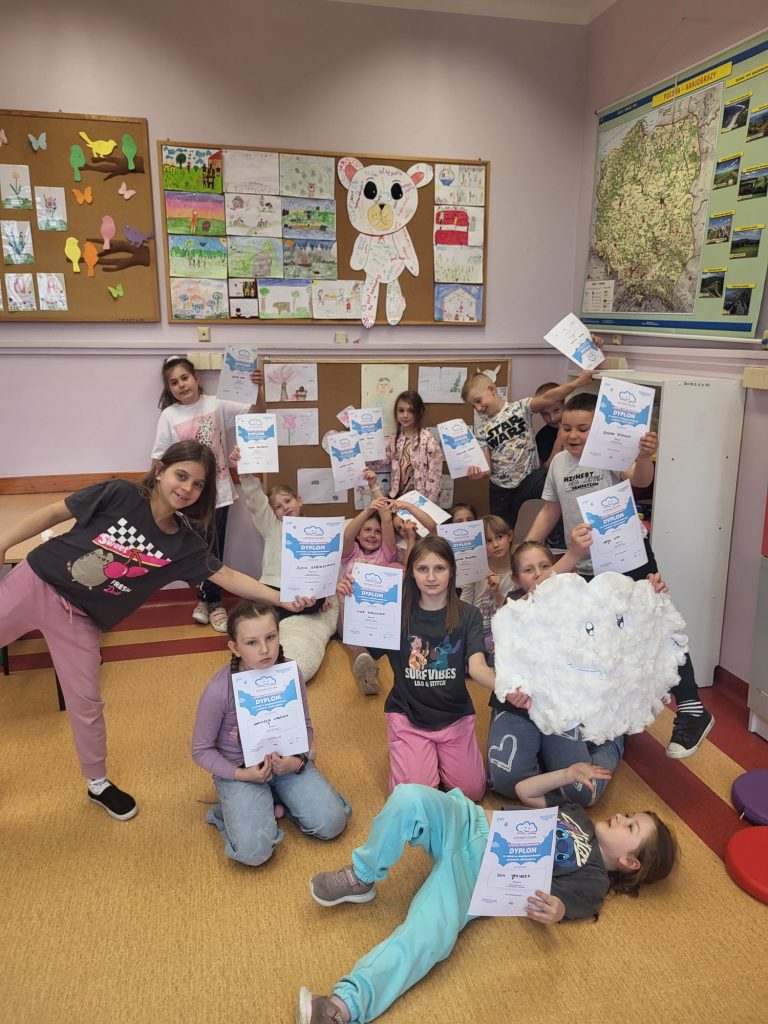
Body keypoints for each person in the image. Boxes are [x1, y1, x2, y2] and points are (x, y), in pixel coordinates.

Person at [0, 441, 310, 822]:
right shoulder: (120, 493)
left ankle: (97, 783)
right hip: (36, 580)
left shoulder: (183, 544)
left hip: (80, 619)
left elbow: (228, 576)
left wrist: (281, 598)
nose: (187, 488)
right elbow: (54, 511)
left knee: (87, 705)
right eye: (181, 475)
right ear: (161, 470)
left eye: (198, 484)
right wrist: (4, 542)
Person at [296, 767, 677, 1024]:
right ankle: (362, 875)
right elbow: (525, 791)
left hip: (480, 876)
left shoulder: (593, 881)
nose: (621, 817)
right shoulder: (577, 814)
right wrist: (566, 775)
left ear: (630, 862)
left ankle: (342, 1006)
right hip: (468, 820)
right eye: (629, 815)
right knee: (409, 798)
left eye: (631, 827)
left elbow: (564, 907)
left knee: (428, 937)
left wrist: (556, 910)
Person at [524, 391, 714, 759]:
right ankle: (602, 720)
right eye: (566, 428)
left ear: (599, 431)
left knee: (658, 626)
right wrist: (527, 548)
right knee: (600, 642)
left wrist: (642, 456)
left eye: (583, 429)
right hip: (586, 567)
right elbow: (550, 511)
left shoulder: (611, 456)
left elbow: (640, 478)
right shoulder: (559, 463)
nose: (573, 435)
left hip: (630, 559)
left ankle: (692, 708)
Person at [486, 528, 666, 802]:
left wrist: (648, 594)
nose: (538, 574)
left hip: (563, 705)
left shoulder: (579, 603)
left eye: (544, 566)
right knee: (507, 783)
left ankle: (612, 740)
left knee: (581, 792)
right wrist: (572, 555)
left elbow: (621, 621)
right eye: (528, 570)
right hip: (520, 706)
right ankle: (544, 763)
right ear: (516, 579)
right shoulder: (511, 608)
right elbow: (534, 596)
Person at [191, 600, 350, 866]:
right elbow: (200, 750)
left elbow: (305, 726)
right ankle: (228, 813)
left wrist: (297, 760)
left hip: (287, 763)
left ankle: (273, 800)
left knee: (333, 823)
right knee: (254, 853)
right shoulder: (219, 690)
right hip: (241, 772)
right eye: (251, 643)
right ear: (235, 648)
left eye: (271, 637)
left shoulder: (291, 672)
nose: (264, 649)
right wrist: (242, 774)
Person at [337, 536, 495, 800]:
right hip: (409, 715)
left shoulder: (468, 614)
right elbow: (361, 643)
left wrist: (508, 687)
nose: (431, 577)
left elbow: (477, 667)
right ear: (411, 572)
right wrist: (349, 605)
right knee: (414, 797)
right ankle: (413, 753)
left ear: (452, 571)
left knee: (473, 792)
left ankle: (434, 759)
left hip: (454, 716)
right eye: (423, 569)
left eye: (439, 568)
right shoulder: (394, 613)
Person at [151, 354, 265, 633]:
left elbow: (256, 413)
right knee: (196, 550)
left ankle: (210, 601)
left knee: (213, 549)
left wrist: (258, 388)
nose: (181, 385)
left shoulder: (216, 403)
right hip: (186, 496)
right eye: (174, 382)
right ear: (169, 388)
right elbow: (159, 457)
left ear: (196, 378)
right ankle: (209, 599)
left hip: (219, 493)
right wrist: (153, 494)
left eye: (185, 378)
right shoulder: (169, 415)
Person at [233, 453, 339, 683]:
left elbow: (326, 564)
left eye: (288, 501)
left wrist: (327, 591)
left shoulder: (317, 529)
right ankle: (261, 647)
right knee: (249, 612)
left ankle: (283, 637)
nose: (284, 508)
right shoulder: (272, 527)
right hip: (274, 588)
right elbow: (256, 502)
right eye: (278, 507)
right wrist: (246, 475)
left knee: (314, 602)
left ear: (299, 501)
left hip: (305, 592)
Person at [462, 367, 596, 530]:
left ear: (491, 389)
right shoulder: (481, 429)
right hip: (501, 488)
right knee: (501, 529)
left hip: (530, 480)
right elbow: (487, 468)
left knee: (551, 492)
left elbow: (548, 398)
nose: (478, 408)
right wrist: (478, 472)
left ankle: (565, 532)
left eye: (478, 401)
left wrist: (578, 382)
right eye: (473, 405)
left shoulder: (520, 408)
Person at [338, 469, 399, 696]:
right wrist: (367, 511)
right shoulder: (350, 553)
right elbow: (347, 534)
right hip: (352, 617)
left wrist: (374, 487)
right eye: (366, 530)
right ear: (358, 533)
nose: (372, 535)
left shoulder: (386, 553)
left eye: (377, 532)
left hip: (380, 617)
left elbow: (386, 518)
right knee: (356, 646)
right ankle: (367, 671)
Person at [459, 514, 514, 653]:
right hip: (474, 627)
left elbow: (512, 612)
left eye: (499, 537)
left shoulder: (517, 571)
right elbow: (465, 600)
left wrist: (497, 593)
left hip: (501, 628)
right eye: (488, 541)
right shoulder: (476, 568)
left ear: (510, 536)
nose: (495, 544)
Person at [381, 390, 443, 502]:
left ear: (419, 412)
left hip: (422, 501)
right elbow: (380, 460)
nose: (405, 415)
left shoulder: (429, 440)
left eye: (411, 411)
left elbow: (435, 475)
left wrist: (428, 504)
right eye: (401, 410)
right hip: (398, 499)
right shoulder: (393, 439)